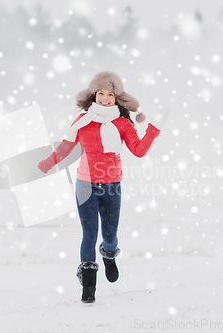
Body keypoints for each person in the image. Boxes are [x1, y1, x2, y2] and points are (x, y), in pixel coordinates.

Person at [37, 71, 171, 303]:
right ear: (94, 95)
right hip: (85, 185)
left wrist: (153, 129)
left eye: (110, 94)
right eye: (101, 93)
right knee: (89, 234)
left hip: (111, 186)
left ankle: (109, 254)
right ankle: (88, 284)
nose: (105, 98)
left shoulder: (122, 123)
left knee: (109, 235)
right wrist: (47, 164)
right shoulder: (82, 121)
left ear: (117, 98)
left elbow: (138, 151)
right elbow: (66, 148)